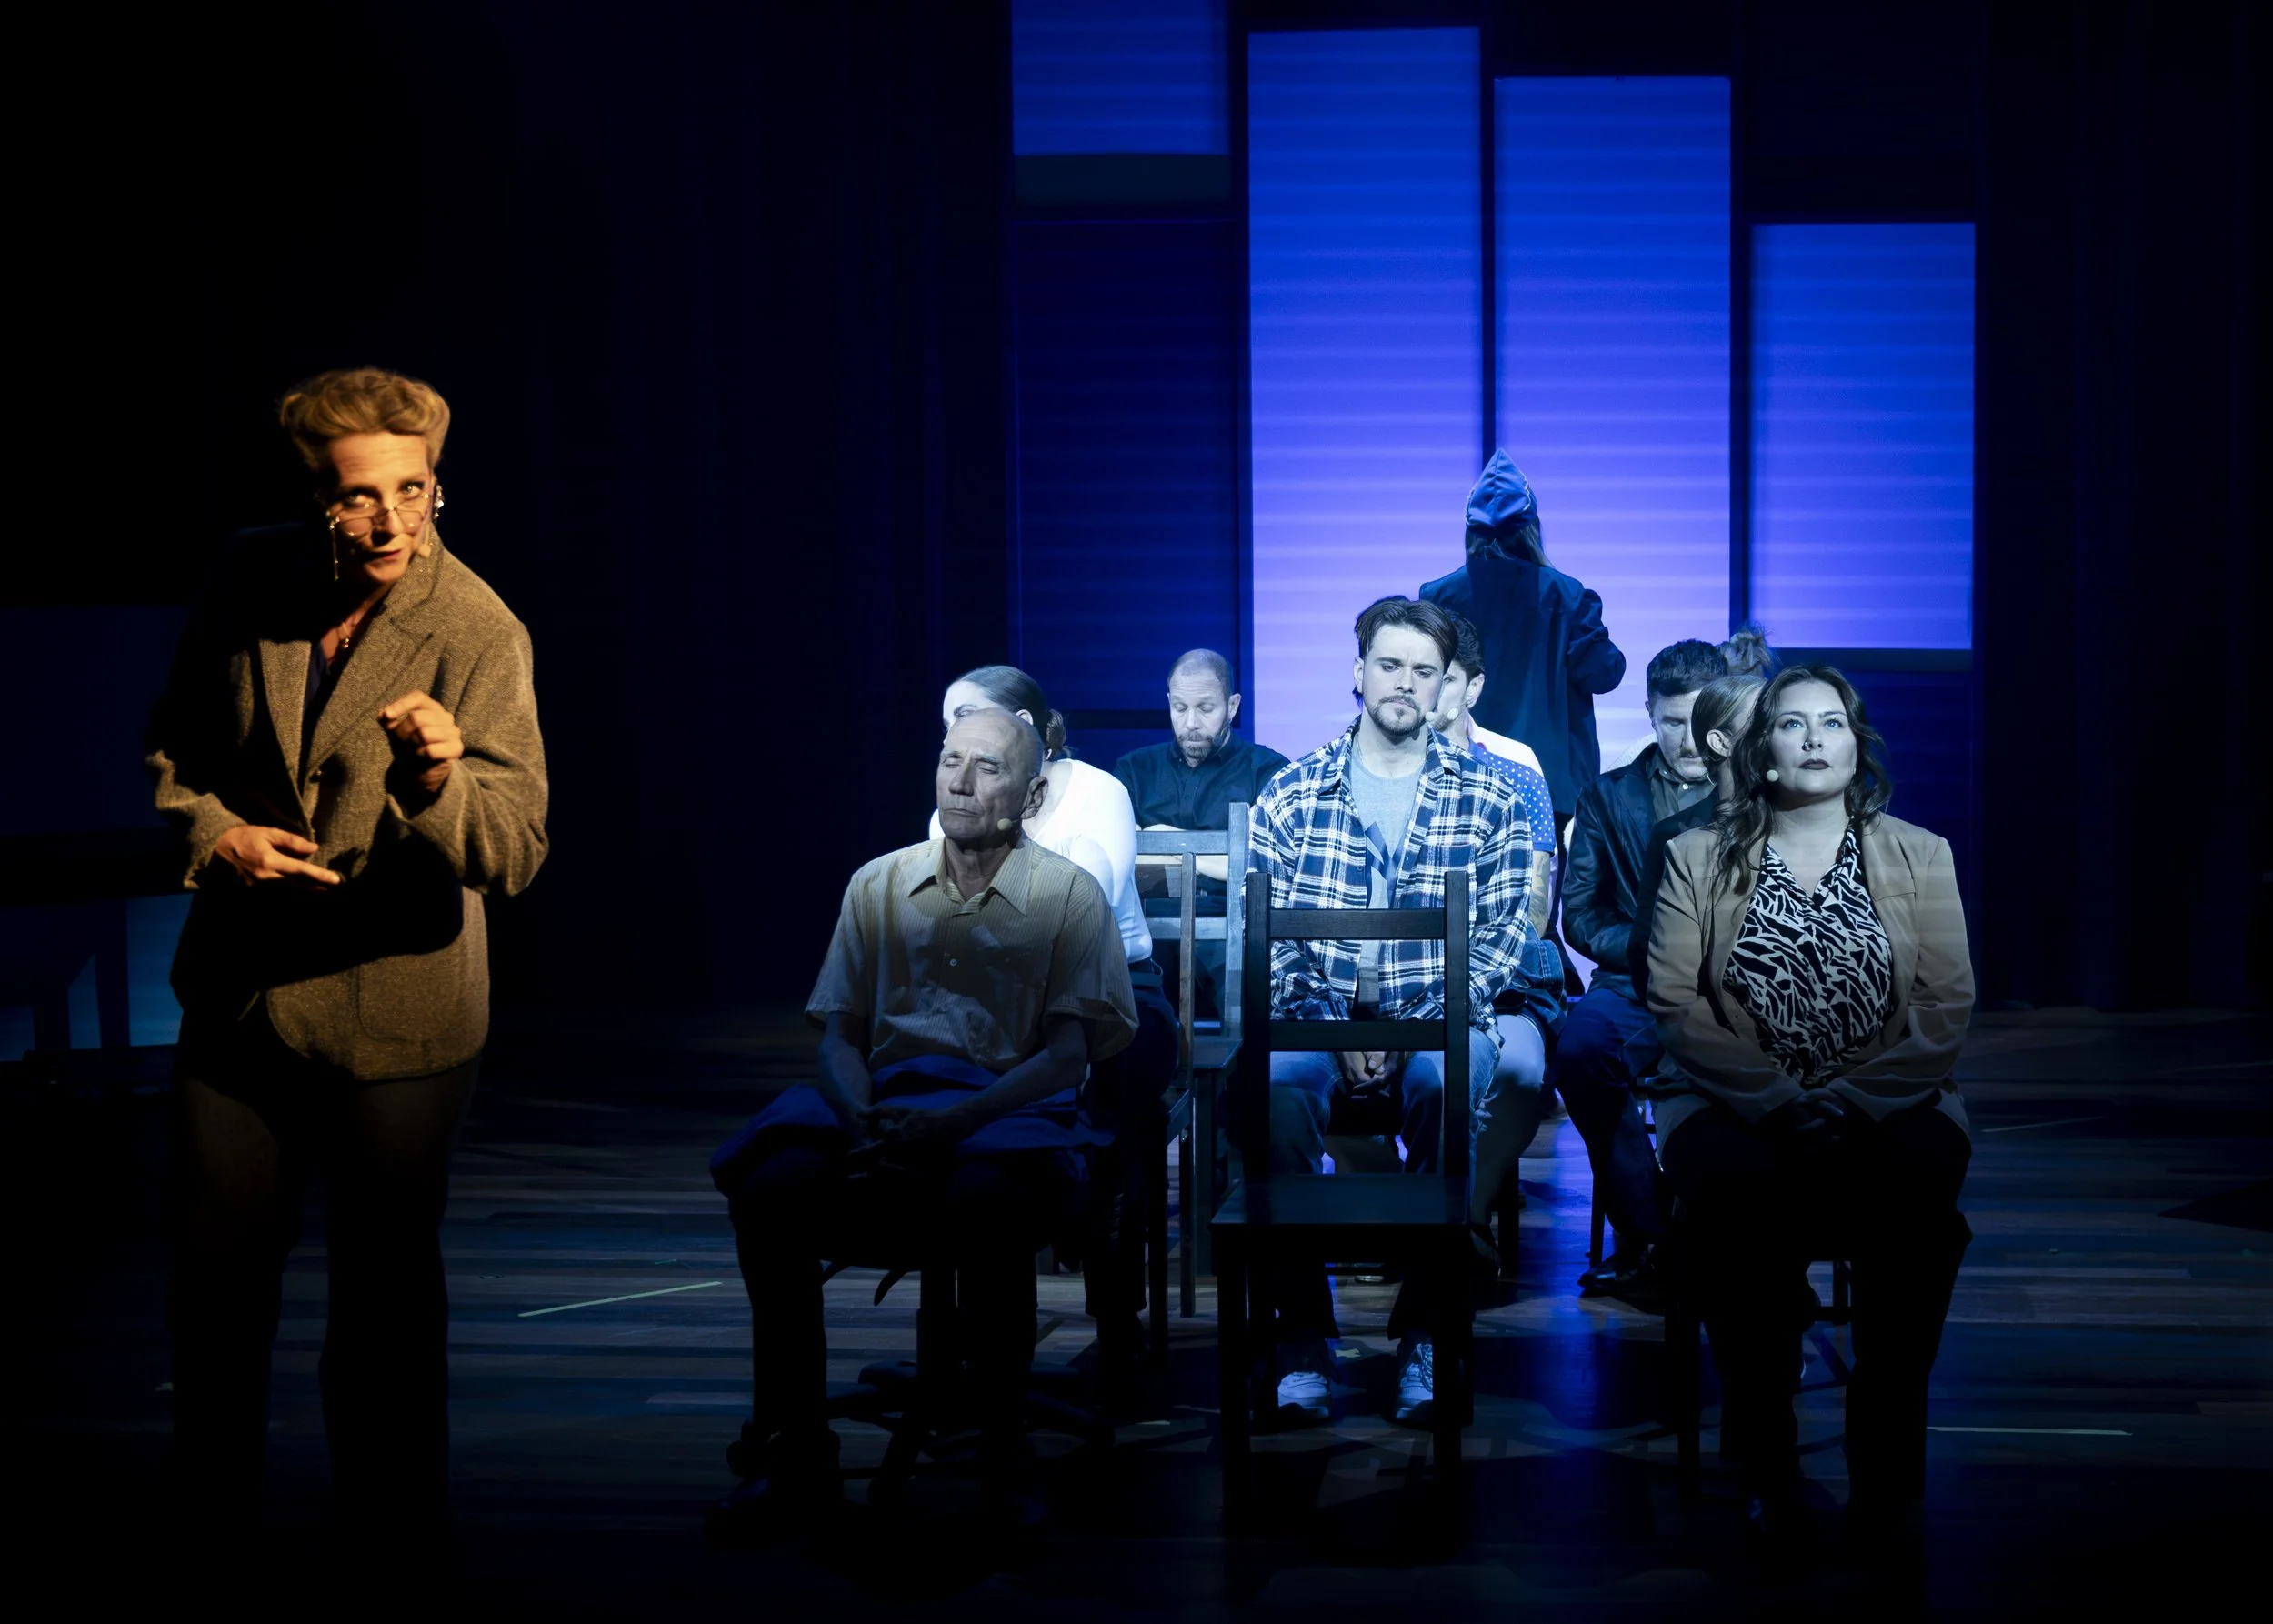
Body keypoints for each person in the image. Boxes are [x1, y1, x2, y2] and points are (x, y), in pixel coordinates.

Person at [144, 367, 549, 1544]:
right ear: (314, 493)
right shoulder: (246, 573)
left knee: (381, 1307)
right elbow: (173, 742)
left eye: (409, 491)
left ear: (436, 490)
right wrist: (215, 835)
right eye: (353, 496)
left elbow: (516, 846)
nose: (384, 522)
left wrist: (435, 781)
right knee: (213, 1290)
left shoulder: (478, 630)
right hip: (240, 995)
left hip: (399, 1011)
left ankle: (392, 1540)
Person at [709, 709, 1137, 1542]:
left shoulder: (1065, 895)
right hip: (887, 1106)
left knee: (989, 1199)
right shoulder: (878, 884)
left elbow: (1064, 1059)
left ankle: (1003, 1454)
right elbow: (839, 1034)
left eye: (988, 768)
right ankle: (796, 1450)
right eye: (950, 760)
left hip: (1003, 1111)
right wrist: (859, 1114)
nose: (961, 781)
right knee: (769, 1189)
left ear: (1033, 791)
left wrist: (956, 1121)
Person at [1644, 666, 1973, 1551]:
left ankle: (1882, 1454)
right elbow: (1676, 1006)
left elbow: (1945, 1009)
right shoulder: (1692, 857)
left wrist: (1856, 1101)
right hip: (1731, 1101)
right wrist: (1779, 1101)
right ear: (1762, 747)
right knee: (1736, 1203)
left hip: (1889, 1098)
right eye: (1794, 724)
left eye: (1833, 722)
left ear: (1857, 742)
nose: (1816, 739)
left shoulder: (1921, 854)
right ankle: (1767, 1457)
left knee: (1920, 1201)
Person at [1247, 596, 1534, 1428]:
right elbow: (1267, 942)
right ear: (1357, 672)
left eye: (1423, 670)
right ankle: (1300, 1335)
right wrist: (1337, 1029)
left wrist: (1411, 1029)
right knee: (1272, 1090)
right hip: (1314, 1016)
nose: (1404, 683)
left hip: (1437, 1018)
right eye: (1389, 664)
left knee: (1448, 1083)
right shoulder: (1294, 791)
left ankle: (1424, 1333)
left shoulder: (1493, 795)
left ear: (1448, 684)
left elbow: (1504, 931)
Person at [931, 666, 1176, 1358]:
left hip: (1114, 986)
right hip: (997, 994)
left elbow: (1082, 911)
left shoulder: (1097, 790)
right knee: (942, 1072)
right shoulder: (952, 803)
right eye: (948, 720)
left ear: (1029, 728)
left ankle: (1114, 1305)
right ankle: (986, 1317)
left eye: (972, 713)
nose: (955, 735)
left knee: (1112, 1071)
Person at [1557, 638, 1728, 1298]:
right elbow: (1581, 915)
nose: (1689, 739)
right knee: (1579, 1053)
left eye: (1703, 721)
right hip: (1634, 983)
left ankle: (1738, 1242)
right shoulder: (1608, 796)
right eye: (1672, 722)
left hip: (1735, 988)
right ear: (1650, 714)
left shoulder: (1758, 795)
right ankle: (1651, 1232)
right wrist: (1659, 950)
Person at [1424, 613, 1567, 1258]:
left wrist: (1468, 976)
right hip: (1388, 978)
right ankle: (1402, 1211)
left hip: (1496, 980)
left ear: (1472, 687)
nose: (1422, 693)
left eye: (1441, 678)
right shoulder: (1355, 766)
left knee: (1520, 1074)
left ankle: (1462, 1220)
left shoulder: (1513, 766)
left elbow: (1533, 908)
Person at [1419, 449, 1626, 824]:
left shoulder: (1439, 596)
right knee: (1540, 882)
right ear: (1532, 530)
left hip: (1460, 774)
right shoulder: (1568, 595)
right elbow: (1604, 674)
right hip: (1552, 781)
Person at [1113, 648, 1290, 1018]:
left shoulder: (1269, 771)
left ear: (1233, 705)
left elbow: (1263, 867)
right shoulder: (1133, 769)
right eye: (1180, 708)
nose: (1191, 722)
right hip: (1146, 924)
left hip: (1235, 925)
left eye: (1206, 709)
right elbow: (1122, 860)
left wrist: (1160, 835)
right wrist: (1218, 856)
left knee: (1250, 988)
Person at [1627, 671, 1767, 998]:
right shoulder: (1675, 837)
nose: (1780, 732)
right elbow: (1645, 958)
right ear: (1721, 741)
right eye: (1764, 721)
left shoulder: (1800, 825)